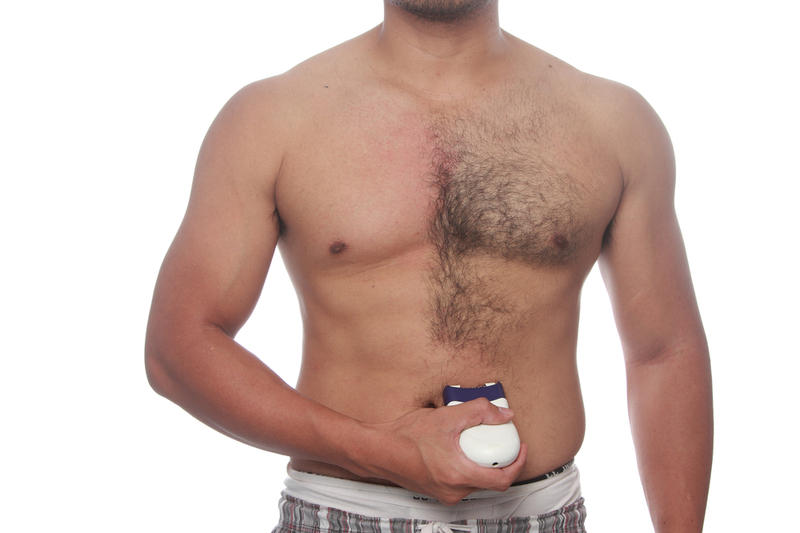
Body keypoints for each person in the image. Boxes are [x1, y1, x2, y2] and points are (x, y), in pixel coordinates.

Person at [145, 1, 713, 531]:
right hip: (343, 512)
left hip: (542, 514)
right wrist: (381, 451)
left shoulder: (612, 122)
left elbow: (664, 351)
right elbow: (177, 348)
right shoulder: (271, 117)